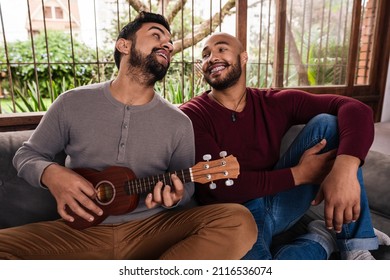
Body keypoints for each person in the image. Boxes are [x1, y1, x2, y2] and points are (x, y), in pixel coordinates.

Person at [0, 13, 257, 260]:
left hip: (152, 229)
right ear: (123, 45)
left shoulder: (179, 122)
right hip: (80, 231)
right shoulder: (72, 103)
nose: (167, 44)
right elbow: (26, 155)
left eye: (169, 42)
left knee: (239, 221)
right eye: (156, 36)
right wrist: (51, 174)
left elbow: (187, 185)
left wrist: (176, 197)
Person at [180, 32, 390, 260]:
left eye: (221, 49)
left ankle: (355, 247)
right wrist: (298, 175)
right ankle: (321, 239)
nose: (211, 57)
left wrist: (345, 169)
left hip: (278, 202)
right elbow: (220, 188)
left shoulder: (273, 102)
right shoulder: (192, 115)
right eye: (205, 54)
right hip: (233, 215)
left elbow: (355, 109)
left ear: (243, 57)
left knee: (327, 124)